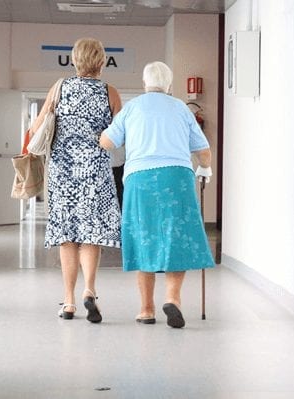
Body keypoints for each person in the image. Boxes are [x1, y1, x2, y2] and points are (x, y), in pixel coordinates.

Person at [100, 61, 214, 328]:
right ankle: (172, 299)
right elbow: (203, 150)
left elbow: (107, 142)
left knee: (144, 238)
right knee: (177, 237)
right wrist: (205, 169)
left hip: (140, 180)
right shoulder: (181, 109)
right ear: (169, 85)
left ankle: (146, 309)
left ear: (144, 83)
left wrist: (105, 132)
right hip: (177, 177)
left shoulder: (132, 108)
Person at [29, 38, 122, 322]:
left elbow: (36, 127)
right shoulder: (110, 92)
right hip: (95, 172)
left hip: (63, 171)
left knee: (66, 237)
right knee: (91, 235)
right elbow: (119, 135)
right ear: (102, 62)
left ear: (74, 61)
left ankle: (68, 302)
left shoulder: (60, 88)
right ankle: (89, 290)